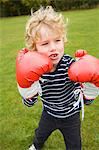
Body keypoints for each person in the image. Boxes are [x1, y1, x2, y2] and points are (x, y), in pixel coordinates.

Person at [16, 6, 99, 150]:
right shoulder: (35, 71)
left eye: (57, 40)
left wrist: (92, 87)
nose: (53, 47)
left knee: (75, 145)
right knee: (40, 135)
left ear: (64, 40)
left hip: (71, 115)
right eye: (45, 43)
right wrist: (27, 90)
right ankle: (36, 146)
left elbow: (87, 101)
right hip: (48, 113)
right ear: (34, 48)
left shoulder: (71, 65)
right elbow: (29, 103)